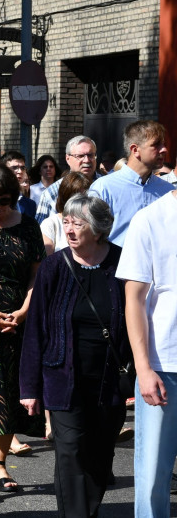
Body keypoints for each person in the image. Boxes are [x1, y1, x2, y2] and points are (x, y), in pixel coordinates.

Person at [20, 195, 130, 518]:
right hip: (62, 378)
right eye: (65, 221)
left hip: (109, 381)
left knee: (99, 456)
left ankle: (86, 510)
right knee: (70, 453)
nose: (68, 228)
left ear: (98, 229)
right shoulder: (54, 267)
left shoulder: (122, 264)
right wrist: (29, 388)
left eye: (77, 223)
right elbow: (36, 328)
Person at [0, 162, 45, 490]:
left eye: (4, 200)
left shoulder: (28, 227)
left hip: (19, 317)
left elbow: (36, 272)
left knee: (13, 391)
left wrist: (25, 309)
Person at [117, 188, 177, 517]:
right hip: (164, 362)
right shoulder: (150, 219)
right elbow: (134, 300)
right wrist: (143, 368)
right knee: (154, 473)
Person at [89, 120, 174, 246]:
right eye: (156, 145)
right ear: (135, 150)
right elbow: (91, 237)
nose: (164, 149)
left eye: (164, 144)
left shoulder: (168, 190)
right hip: (116, 264)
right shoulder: (104, 188)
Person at [36, 136, 99, 223]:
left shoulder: (106, 185)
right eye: (80, 156)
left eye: (90, 155)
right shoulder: (52, 192)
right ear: (68, 159)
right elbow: (41, 230)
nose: (86, 160)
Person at [40, 172, 93, 256]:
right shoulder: (51, 224)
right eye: (75, 197)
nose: (80, 203)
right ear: (65, 196)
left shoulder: (94, 222)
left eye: (84, 197)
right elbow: (47, 262)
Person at [1, 150, 37, 218]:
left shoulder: (30, 204)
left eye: (22, 168)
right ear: (4, 170)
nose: (20, 171)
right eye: (14, 168)